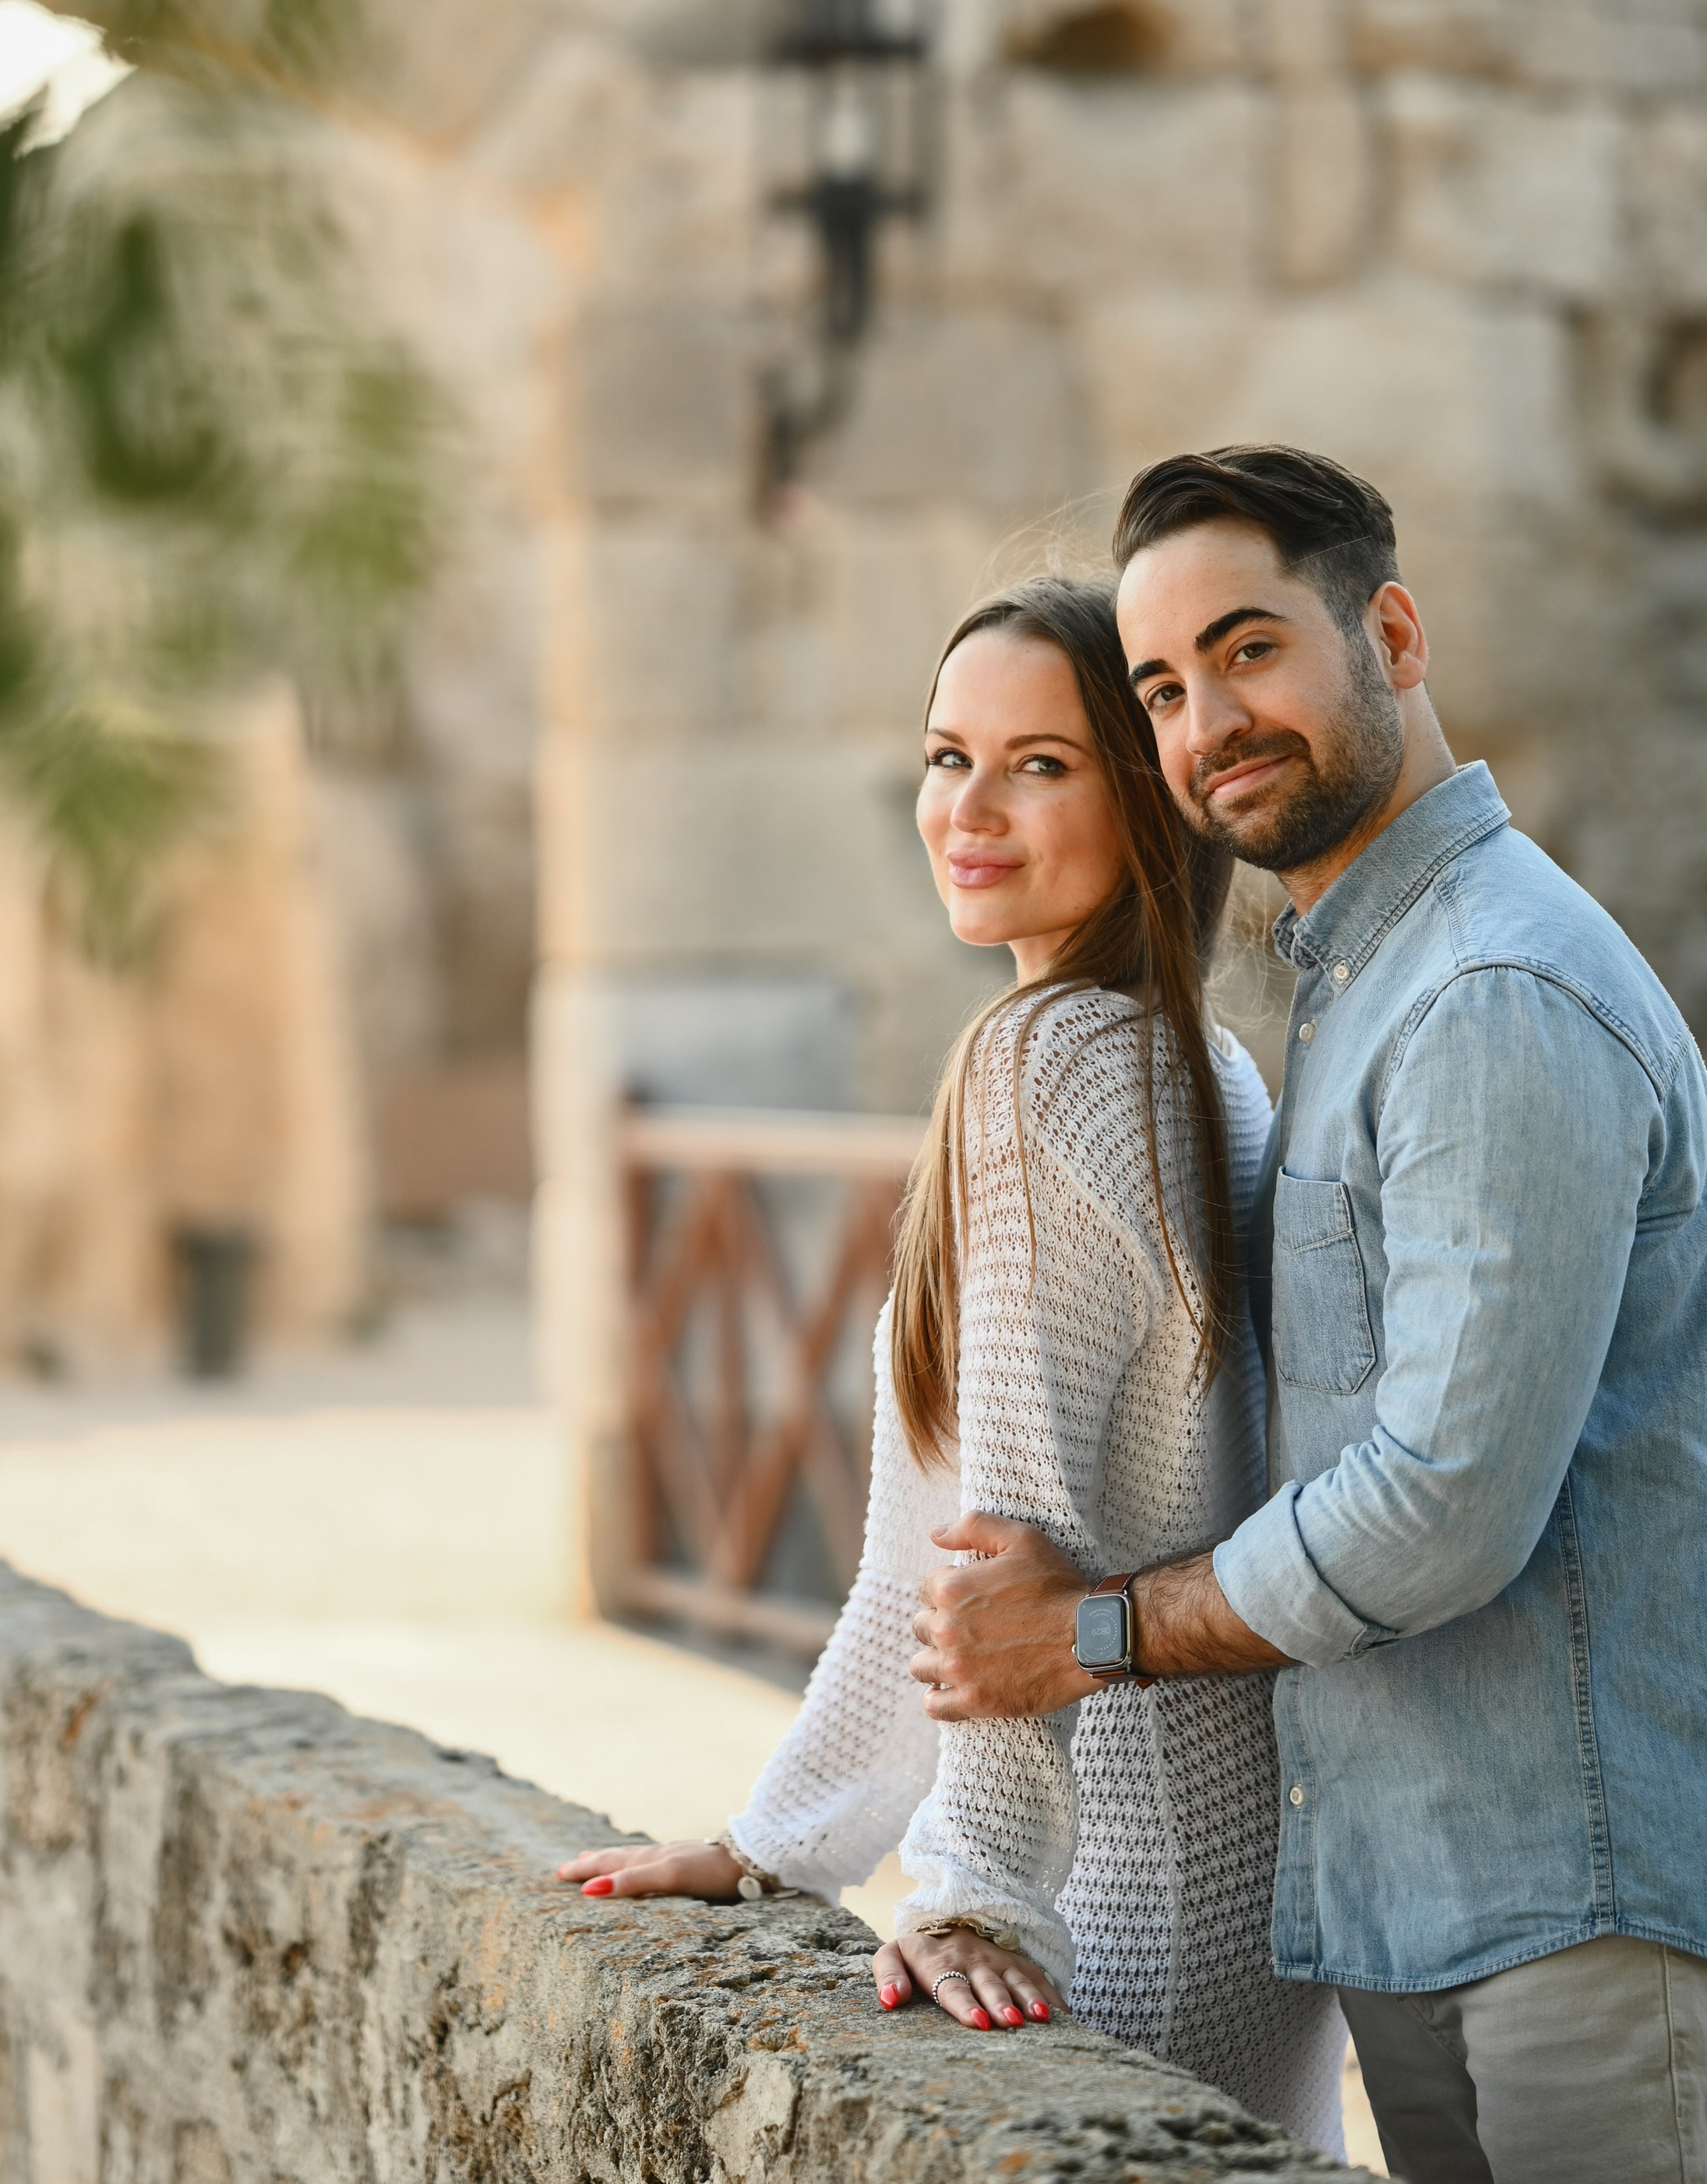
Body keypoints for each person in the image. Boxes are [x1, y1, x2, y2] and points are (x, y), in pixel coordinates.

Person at [908, 448, 1707, 2184]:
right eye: (1161, 689)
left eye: (1249, 650)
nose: (1206, 725)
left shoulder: (1487, 988)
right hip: (1410, 1913)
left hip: (1582, 1920)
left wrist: (1089, 1634)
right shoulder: (1352, 990)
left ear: (1388, 635)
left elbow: (1441, 1502)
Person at [556, 576, 1347, 2152]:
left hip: (1126, 1889)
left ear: (1147, 800)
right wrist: (778, 1843)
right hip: (1250, 1879)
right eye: (945, 757)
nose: (967, 810)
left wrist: (978, 1890)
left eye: (1039, 765)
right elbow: (926, 1564)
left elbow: (1005, 1563)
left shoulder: (1043, 1062)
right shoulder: (1195, 1057)